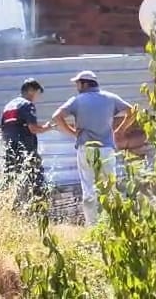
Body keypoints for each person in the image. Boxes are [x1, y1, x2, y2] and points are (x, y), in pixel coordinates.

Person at [52, 71, 135, 226]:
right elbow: (133, 111)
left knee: (89, 188)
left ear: (85, 84)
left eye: (78, 83)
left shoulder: (77, 100)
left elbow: (56, 116)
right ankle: (112, 224)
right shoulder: (110, 97)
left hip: (86, 149)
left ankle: (92, 226)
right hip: (106, 149)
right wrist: (120, 130)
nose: (77, 86)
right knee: (109, 187)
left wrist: (72, 132)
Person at [0, 78, 54, 205]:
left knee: (11, 180)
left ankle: (10, 207)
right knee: (35, 180)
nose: (37, 97)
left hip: (10, 150)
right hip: (26, 151)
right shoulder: (27, 105)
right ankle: (37, 209)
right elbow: (33, 129)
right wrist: (47, 128)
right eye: (37, 93)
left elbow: (3, 130)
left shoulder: (8, 106)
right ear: (30, 90)